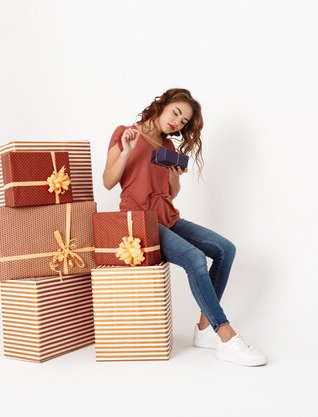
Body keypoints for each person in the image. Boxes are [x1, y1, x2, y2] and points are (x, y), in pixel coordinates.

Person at [103, 88, 267, 366]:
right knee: (194, 257)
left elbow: (170, 194)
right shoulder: (125, 133)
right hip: (138, 221)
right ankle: (224, 334)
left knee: (225, 249)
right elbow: (108, 181)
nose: (176, 123)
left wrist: (174, 176)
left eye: (182, 122)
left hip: (167, 217)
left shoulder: (168, 149)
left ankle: (204, 329)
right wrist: (127, 152)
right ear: (162, 105)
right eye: (176, 113)